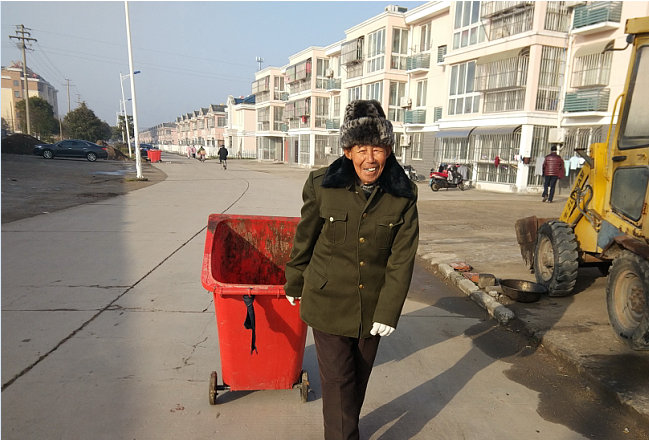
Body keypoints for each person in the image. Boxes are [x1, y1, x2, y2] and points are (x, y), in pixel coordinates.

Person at [284, 100, 419, 440]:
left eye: (377, 149)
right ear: (347, 151)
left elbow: (402, 259)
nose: (370, 159)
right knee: (338, 382)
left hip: (371, 309)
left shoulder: (403, 195)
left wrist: (389, 310)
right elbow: (305, 236)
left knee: (355, 383)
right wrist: (294, 280)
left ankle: (346, 428)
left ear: (389, 150)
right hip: (326, 301)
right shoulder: (321, 185)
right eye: (361, 149)